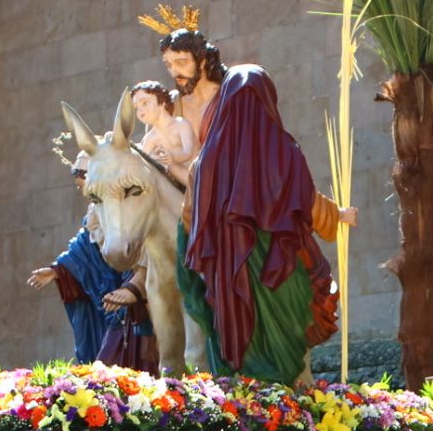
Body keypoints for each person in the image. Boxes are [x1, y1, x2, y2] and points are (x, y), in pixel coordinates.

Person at [176, 65, 352, 385]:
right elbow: (306, 203)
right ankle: (285, 414)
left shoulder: (204, 165)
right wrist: (337, 215)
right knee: (290, 361)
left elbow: (188, 224)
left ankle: (248, 414)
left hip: (230, 282)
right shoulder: (286, 153)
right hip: (282, 276)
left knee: (239, 361)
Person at [28, 152, 157, 368]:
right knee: (107, 364)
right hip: (112, 299)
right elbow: (85, 247)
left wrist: (134, 285)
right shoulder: (94, 212)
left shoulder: (127, 205)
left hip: (134, 293)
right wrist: (58, 271)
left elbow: (144, 243)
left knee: (118, 363)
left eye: (84, 185)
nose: (83, 192)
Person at [131, 80, 198, 184]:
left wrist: (171, 156)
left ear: (162, 103)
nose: (140, 111)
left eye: (145, 103)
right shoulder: (150, 139)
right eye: (136, 107)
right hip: (180, 184)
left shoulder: (180, 125)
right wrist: (154, 159)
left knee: (169, 164)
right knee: (167, 165)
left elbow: (187, 153)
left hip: (200, 172)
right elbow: (143, 165)